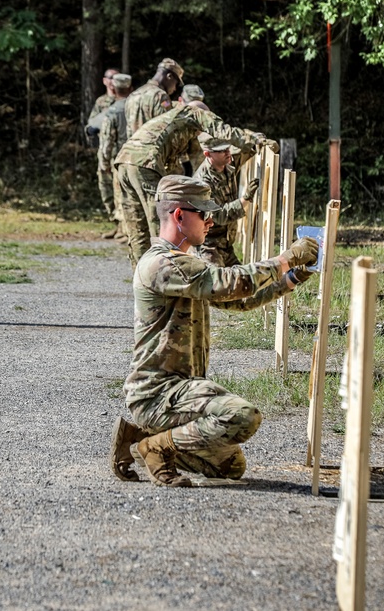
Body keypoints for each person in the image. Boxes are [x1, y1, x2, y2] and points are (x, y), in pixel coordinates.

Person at [108, 175, 320, 487]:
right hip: (159, 393)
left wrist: (290, 280)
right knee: (242, 416)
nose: (210, 222)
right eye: (204, 214)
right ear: (179, 216)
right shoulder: (163, 265)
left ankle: (139, 438)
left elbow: (236, 300)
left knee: (230, 467)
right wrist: (285, 259)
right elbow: (231, 282)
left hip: (178, 390)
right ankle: (156, 446)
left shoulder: (182, 263)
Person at [115, 101, 278, 267]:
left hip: (124, 161)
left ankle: (141, 280)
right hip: (145, 163)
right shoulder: (194, 113)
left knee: (138, 229)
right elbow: (224, 131)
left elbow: (191, 158)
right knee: (162, 222)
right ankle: (165, 276)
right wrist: (255, 141)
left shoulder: (175, 120)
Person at [190, 133, 259, 267]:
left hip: (226, 246)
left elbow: (247, 149)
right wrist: (245, 199)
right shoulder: (202, 182)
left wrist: (260, 141)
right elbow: (218, 215)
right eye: (221, 150)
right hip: (208, 248)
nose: (227, 153)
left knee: (243, 281)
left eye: (227, 148)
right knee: (218, 285)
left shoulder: (226, 164)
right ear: (207, 154)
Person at [98, 73, 132, 239]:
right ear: (130, 88)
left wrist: (104, 162)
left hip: (119, 158)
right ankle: (123, 229)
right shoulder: (137, 106)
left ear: (115, 88)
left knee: (120, 195)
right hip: (137, 158)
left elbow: (107, 140)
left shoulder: (113, 110)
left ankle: (124, 231)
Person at [124, 58, 183, 135]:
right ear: (169, 76)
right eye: (176, 83)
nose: (175, 88)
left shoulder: (133, 95)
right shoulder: (162, 97)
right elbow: (166, 127)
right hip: (152, 146)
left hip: (131, 146)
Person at [85, 68, 119, 147]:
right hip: (107, 147)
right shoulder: (101, 102)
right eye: (111, 78)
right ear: (105, 81)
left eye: (117, 78)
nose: (114, 81)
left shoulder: (127, 100)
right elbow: (91, 125)